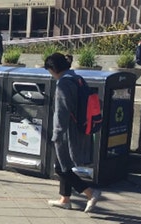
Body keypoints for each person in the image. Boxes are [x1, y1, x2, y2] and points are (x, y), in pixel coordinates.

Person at [43, 53, 102, 213]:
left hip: (67, 131)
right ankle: (65, 199)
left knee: (60, 168)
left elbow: (62, 111)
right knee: (65, 165)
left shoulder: (63, 83)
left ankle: (90, 193)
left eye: (49, 70)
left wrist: (57, 133)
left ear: (53, 69)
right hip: (79, 127)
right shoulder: (77, 78)